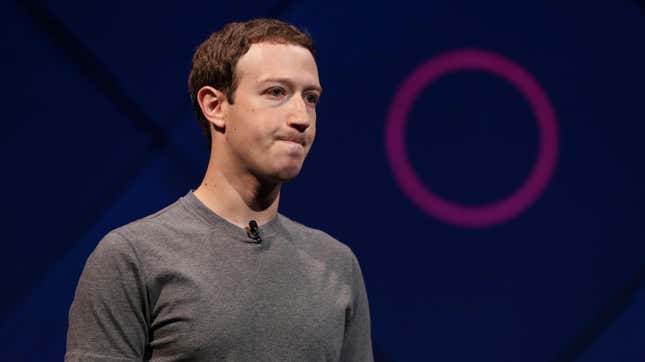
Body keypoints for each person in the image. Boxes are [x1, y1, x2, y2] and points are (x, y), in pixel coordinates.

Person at [65, 18, 373, 361]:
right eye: (276, 92)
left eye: (311, 97)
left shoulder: (336, 264)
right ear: (214, 106)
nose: (301, 117)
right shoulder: (132, 257)